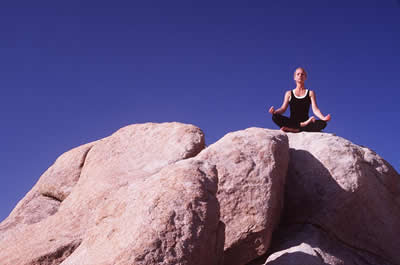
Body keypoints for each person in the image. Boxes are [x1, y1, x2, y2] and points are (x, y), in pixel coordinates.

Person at [269, 67, 331, 133]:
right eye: (298, 74)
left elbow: (315, 109)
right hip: (292, 121)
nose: (300, 76)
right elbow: (283, 109)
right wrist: (275, 112)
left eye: (302, 74)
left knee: (322, 123)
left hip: (306, 121)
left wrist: (323, 118)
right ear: (294, 77)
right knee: (275, 117)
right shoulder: (289, 93)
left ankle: (295, 129)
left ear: (305, 77)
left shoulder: (310, 93)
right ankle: (300, 127)